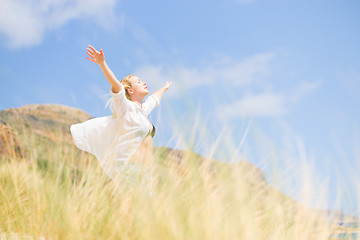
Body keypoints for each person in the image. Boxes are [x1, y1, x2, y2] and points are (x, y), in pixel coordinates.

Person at [70, 45, 172, 198]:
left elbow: (154, 100)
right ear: (130, 90)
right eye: (138, 81)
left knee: (137, 217)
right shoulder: (125, 107)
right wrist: (102, 63)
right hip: (129, 170)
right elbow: (117, 86)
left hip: (145, 172)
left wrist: (165, 88)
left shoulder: (142, 111)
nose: (143, 82)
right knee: (132, 213)